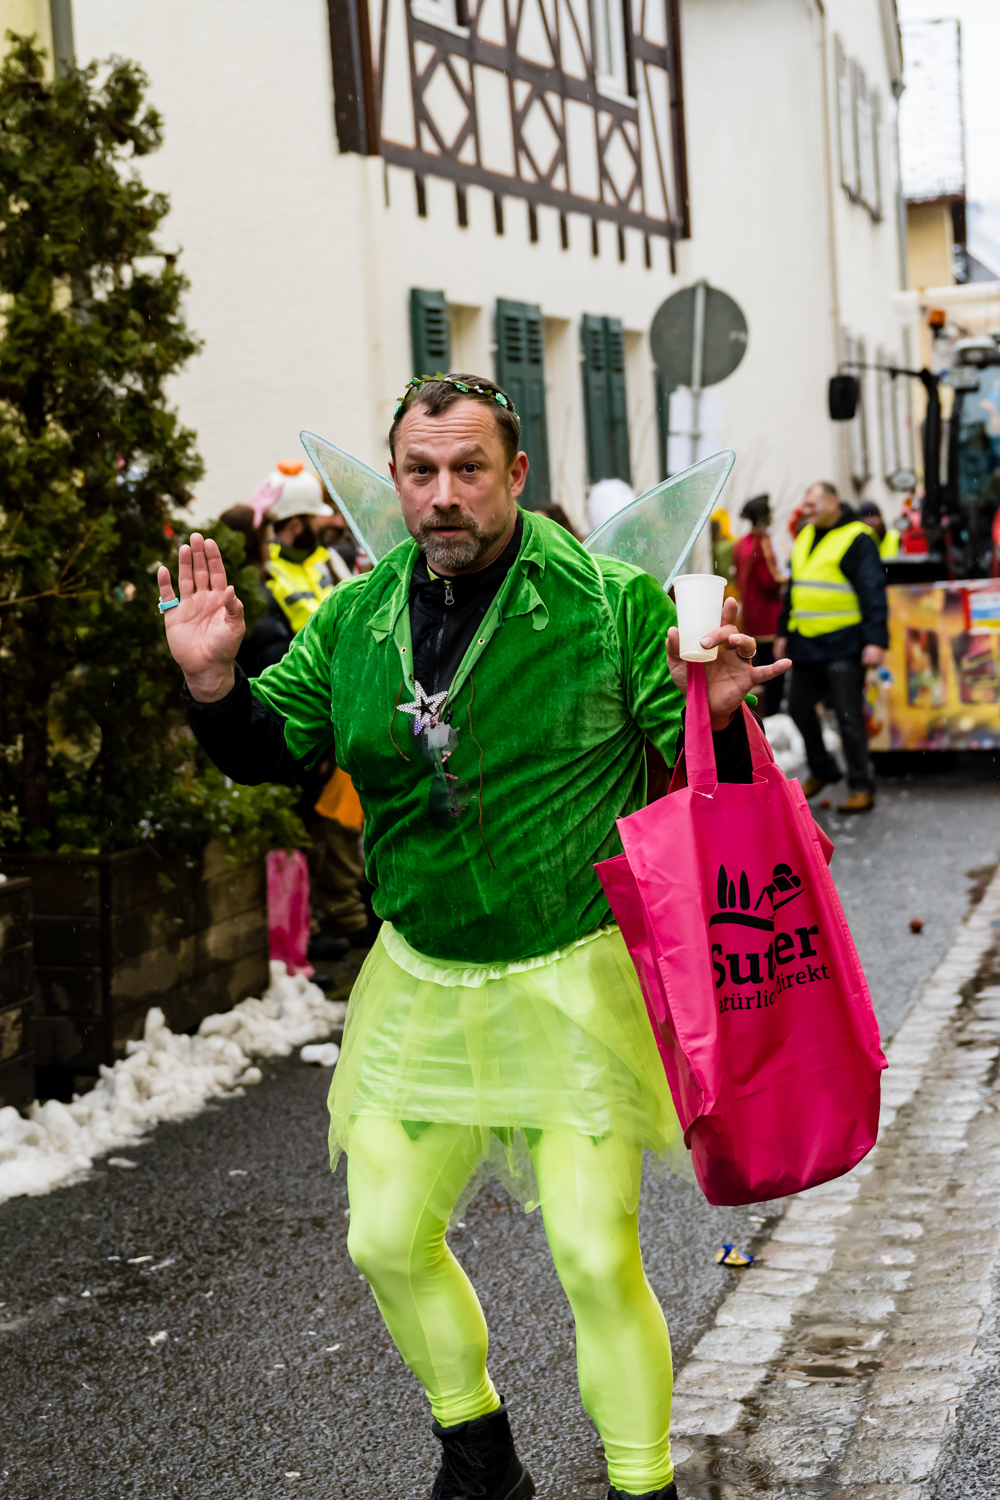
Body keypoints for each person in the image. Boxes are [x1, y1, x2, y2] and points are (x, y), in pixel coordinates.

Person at [156, 373, 789, 1500]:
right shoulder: (355, 616)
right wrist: (212, 685)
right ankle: (479, 1453)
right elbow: (271, 748)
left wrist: (726, 715)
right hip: (421, 979)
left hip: (572, 977)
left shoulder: (607, 603)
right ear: (396, 479)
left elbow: (709, 785)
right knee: (384, 1239)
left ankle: (643, 1485)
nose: (442, 495)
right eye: (420, 470)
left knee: (593, 1256)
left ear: (515, 475)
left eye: (468, 469)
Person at [774, 481, 888, 814]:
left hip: (845, 642)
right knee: (798, 707)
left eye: (813, 505)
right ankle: (823, 769)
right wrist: (783, 632)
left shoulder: (857, 538)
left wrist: (875, 640)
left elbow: (872, 590)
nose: (806, 511)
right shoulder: (805, 535)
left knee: (848, 714)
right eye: (805, 505)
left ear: (833, 501)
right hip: (807, 641)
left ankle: (860, 786)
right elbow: (794, 589)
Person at [262, 460, 351, 631]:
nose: (321, 523)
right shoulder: (267, 571)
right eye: (314, 517)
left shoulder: (326, 557)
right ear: (295, 525)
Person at [216, 505, 293, 679]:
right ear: (253, 545)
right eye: (268, 542)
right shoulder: (254, 597)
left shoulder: (224, 590)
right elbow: (274, 659)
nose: (271, 549)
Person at [733, 495, 787, 718]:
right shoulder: (762, 541)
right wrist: (788, 578)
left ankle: (759, 715)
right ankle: (772, 715)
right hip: (769, 618)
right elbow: (770, 579)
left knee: (756, 672)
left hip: (750, 618)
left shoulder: (740, 544)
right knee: (774, 672)